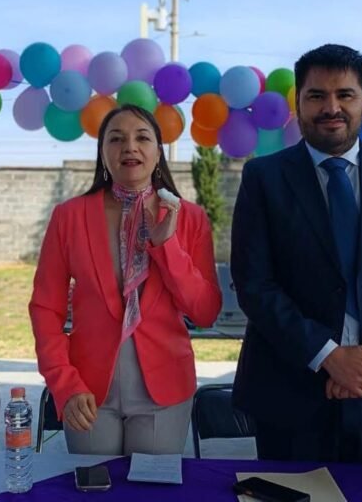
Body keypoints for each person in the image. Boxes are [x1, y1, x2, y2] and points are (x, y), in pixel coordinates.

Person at [230, 44, 362, 464]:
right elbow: (255, 284)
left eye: (345, 94)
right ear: (298, 102)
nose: (331, 107)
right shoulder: (264, 178)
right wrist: (328, 356)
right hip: (293, 392)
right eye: (316, 95)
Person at [30, 104, 221, 455]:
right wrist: (63, 382)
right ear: (103, 154)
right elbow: (45, 308)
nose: (129, 147)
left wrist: (167, 246)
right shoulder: (69, 217)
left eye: (142, 137)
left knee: (150, 492)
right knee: (93, 490)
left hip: (165, 389)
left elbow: (206, 312)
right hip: (87, 390)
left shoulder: (190, 218)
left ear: (158, 152)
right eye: (116, 139)